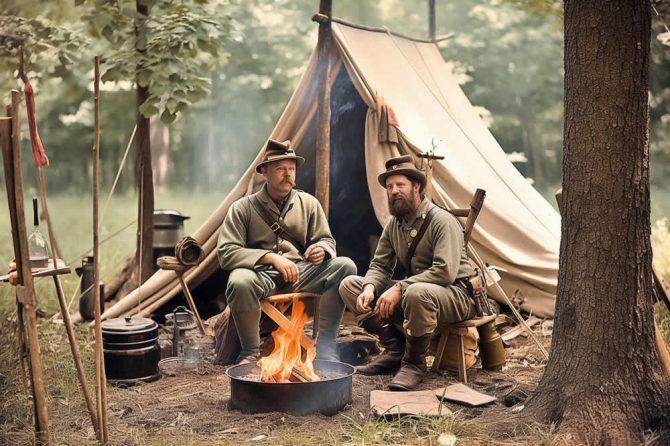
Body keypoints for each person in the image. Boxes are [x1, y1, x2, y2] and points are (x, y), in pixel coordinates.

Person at [338, 155, 477, 390]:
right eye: (390, 187)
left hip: (457, 295)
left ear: (417, 187)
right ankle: (395, 351)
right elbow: (380, 265)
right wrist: (370, 288)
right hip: (417, 292)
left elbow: (445, 272)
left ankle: (414, 364)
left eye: (400, 185)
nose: (394, 191)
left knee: (416, 292)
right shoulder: (395, 225)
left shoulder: (442, 221)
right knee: (350, 285)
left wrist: (399, 287)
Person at [217, 139, 356, 364]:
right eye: (280, 169)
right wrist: (270, 258)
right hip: (260, 277)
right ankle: (251, 352)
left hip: (300, 274)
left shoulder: (309, 203)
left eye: (291, 169)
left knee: (345, 266)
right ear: (264, 172)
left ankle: (327, 347)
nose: (287, 174)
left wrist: (321, 249)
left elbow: (326, 239)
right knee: (239, 280)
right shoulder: (242, 208)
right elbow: (226, 252)